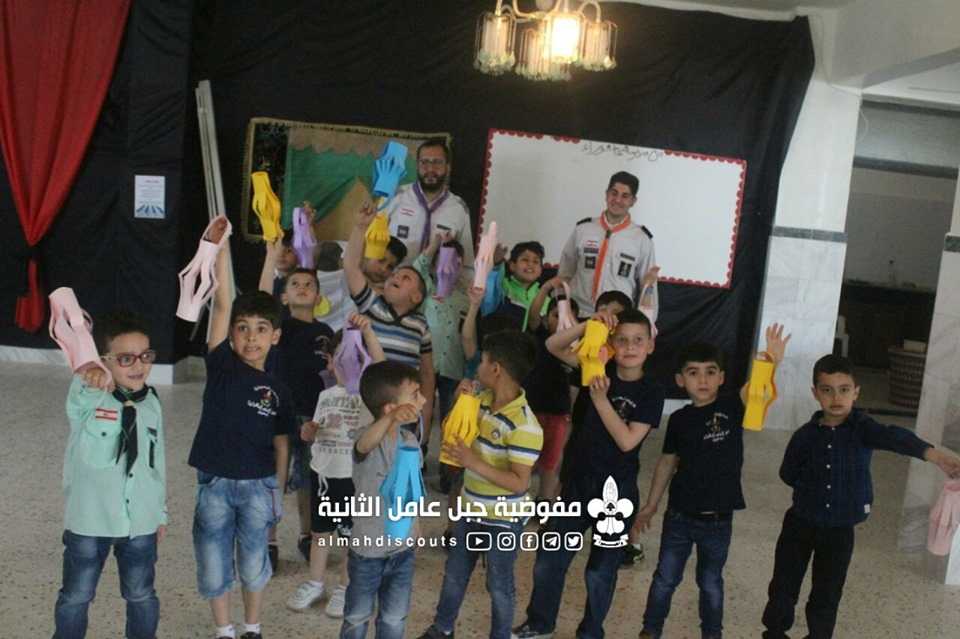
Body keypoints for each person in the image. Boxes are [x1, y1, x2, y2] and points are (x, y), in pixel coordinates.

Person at [761, 354, 960, 639]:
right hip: (800, 524)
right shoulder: (804, 436)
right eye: (827, 390)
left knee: (827, 592)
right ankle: (775, 632)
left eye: (844, 389)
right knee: (783, 585)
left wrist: (936, 456)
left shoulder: (863, 430)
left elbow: (895, 437)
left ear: (856, 392)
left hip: (840, 531)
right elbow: (787, 473)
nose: (836, 398)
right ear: (815, 393)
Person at [513, 308, 665, 639]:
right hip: (578, 483)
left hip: (617, 491)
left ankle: (591, 631)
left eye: (638, 340)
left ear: (650, 345)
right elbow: (552, 345)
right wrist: (589, 325)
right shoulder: (595, 367)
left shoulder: (652, 390)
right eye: (621, 340)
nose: (629, 347)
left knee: (601, 570)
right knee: (550, 558)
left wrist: (600, 399)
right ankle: (539, 623)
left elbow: (627, 441)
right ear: (611, 342)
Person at [634, 325, 791, 639]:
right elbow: (667, 462)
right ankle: (650, 630)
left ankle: (712, 633)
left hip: (718, 521)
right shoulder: (679, 420)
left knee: (710, 583)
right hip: (679, 517)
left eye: (710, 372)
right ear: (680, 380)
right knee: (665, 578)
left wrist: (771, 360)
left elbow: (755, 388)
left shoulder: (732, 406)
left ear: (721, 377)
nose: (702, 380)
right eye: (693, 373)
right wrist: (650, 505)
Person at [188, 218, 294, 639]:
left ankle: (252, 627)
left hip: (258, 487)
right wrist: (221, 249)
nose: (251, 338)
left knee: (253, 564)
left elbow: (282, 444)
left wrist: (277, 492)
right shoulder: (221, 366)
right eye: (243, 329)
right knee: (214, 563)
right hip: (214, 482)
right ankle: (224, 630)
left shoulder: (278, 388)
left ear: (275, 336)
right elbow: (222, 303)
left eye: (261, 330)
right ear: (231, 335)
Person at [417, 330, 543, 639]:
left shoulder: (525, 425)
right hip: (470, 508)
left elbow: (519, 483)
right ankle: (442, 629)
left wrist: (473, 462)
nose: (477, 367)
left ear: (496, 368)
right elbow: (454, 433)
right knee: (455, 574)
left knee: (499, 584)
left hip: (503, 519)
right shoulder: (481, 401)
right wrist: (458, 402)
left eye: (482, 361)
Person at [53, 311, 166, 639]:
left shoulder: (152, 403)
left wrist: (160, 513)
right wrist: (89, 377)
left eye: (145, 356)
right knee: (76, 596)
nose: (138, 365)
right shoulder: (87, 398)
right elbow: (78, 400)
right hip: (89, 522)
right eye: (126, 358)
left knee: (141, 595)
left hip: (140, 521)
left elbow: (156, 462)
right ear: (104, 361)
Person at [287, 314, 385, 618]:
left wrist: (368, 333)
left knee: (350, 538)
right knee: (320, 533)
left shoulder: (369, 395)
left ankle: (345, 587)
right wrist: (309, 431)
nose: (344, 365)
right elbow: (311, 433)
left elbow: (381, 366)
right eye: (338, 359)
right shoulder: (325, 395)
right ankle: (315, 582)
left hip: (352, 480)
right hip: (324, 475)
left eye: (352, 358)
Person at [259, 242, 336, 566]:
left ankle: (307, 535)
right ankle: (269, 540)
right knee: (275, 477)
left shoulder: (326, 332)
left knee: (309, 479)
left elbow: (332, 377)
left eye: (309, 285)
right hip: (278, 413)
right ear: (284, 296)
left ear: (319, 297)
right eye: (295, 284)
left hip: (313, 417)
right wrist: (270, 257)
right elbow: (262, 298)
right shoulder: (280, 326)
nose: (303, 287)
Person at [340, 360, 427, 639]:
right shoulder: (366, 438)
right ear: (390, 408)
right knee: (357, 616)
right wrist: (389, 420)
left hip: (402, 551)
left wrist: (416, 524)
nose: (423, 400)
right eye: (415, 394)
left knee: (394, 617)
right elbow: (363, 445)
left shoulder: (410, 442)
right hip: (368, 551)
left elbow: (412, 488)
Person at [345, 201, 436, 459]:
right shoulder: (371, 306)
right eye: (395, 274)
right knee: (365, 454)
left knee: (394, 460)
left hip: (404, 407)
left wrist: (426, 416)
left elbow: (427, 373)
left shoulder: (420, 325)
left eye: (406, 278)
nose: (395, 276)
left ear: (416, 297)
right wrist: (360, 227)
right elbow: (351, 266)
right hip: (368, 400)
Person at [557, 171, 658, 315]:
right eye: (614, 193)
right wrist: (560, 310)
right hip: (579, 313)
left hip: (617, 318)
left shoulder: (641, 239)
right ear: (606, 194)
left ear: (633, 201)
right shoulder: (583, 229)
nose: (617, 200)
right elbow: (564, 273)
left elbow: (647, 287)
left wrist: (647, 322)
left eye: (625, 196)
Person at [526, 277, 580, 502]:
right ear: (546, 317)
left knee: (550, 463)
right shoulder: (540, 336)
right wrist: (547, 288)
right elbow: (533, 314)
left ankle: (544, 502)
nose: (561, 321)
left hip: (558, 415)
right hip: (531, 411)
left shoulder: (576, 349)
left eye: (568, 317)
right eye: (556, 315)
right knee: (525, 459)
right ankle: (515, 499)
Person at [387, 137, 474, 271]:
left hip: (437, 283)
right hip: (394, 280)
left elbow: (466, 263)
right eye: (424, 162)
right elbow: (371, 246)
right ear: (417, 165)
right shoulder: (394, 197)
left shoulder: (459, 209)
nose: (430, 169)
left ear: (448, 167)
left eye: (437, 162)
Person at [412, 231, 469, 430]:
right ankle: (419, 445)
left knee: (450, 416)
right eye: (445, 261)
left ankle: (447, 448)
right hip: (426, 364)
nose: (450, 267)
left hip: (453, 367)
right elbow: (417, 268)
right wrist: (436, 243)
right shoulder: (426, 290)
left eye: (457, 262)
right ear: (435, 265)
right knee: (419, 412)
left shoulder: (465, 299)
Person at [481, 241, 546, 331]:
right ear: (512, 266)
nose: (530, 264)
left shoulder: (544, 298)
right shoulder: (503, 286)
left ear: (541, 271)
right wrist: (495, 264)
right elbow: (488, 299)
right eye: (525, 260)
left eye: (536, 261)